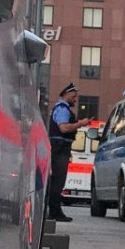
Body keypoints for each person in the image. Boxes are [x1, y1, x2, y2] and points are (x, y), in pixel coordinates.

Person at [47, 83, 93, 222]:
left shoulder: (60, 108)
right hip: (59, 148)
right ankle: (55, 212)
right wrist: (81, 123)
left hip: (59, 148)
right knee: (58, 181)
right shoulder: (62, 109)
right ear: (66, 94)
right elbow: (64, 128)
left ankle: (54, 210)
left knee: (57, 181)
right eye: (74, 96)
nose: (75, 99)